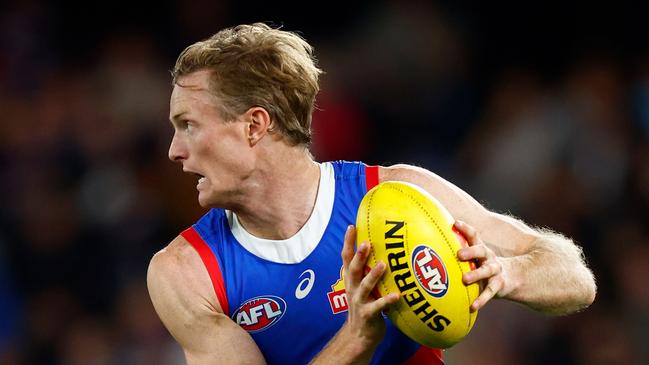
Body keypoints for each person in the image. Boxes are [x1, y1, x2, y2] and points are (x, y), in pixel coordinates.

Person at [147, 23, 596, 365]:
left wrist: (504, 273)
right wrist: (355, 340)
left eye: (188, 125)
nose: (174, 151)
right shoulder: (187, 274)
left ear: (254, 126)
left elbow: (576, 277)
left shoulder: (396, 195)